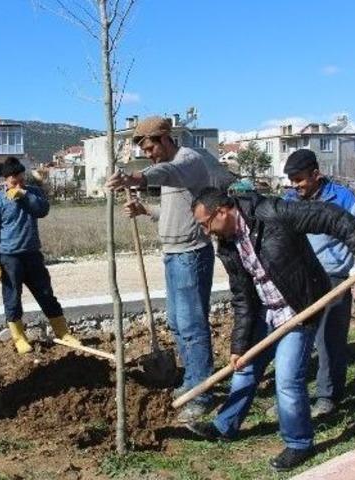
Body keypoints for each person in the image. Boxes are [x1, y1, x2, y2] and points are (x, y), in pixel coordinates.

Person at [186, 188, 355, 472]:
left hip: (299, 307)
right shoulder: (228, 246)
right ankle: (224, 426)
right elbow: (242, 298)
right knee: (244, 368)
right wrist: (239, 346)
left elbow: (329, 216)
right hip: (265, 312)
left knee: (287, 378)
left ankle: (299, 443)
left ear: (222, 211)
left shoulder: (272, 213)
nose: (207, 232)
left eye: (206, 224)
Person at [105, 116, 235, 423]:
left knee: (191, 325)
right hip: (173, 253)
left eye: (150, 148)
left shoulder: (187, 160)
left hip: (191, 254)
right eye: (144, 151)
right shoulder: (172, 174)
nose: (148, 155)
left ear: (165, 139)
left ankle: (202, 394)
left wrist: (136, 179)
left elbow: (167, 172)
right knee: (177, 323)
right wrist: (145, 209)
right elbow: (175, 209)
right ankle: (193, 380)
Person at [283, 148, 355, 417]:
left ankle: (327, 396)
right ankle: (294, 396)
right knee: (297, 338)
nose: (295, 186)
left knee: (329, 339)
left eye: (300, 179)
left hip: (335, 277)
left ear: (315, 174)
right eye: (291, 181)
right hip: (301, 277)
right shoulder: (289, 199)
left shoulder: (343, 198)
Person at [0, 156, 81, 353]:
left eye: (21, 180)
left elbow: (43, 210)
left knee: (46, 294)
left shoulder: (32, 193)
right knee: (12, 298)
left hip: (32, 255)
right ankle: (19, 337)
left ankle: (63, 333)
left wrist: (24, 194)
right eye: (14, 182)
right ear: (5, 180)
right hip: (9, 258)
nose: (18, 184)